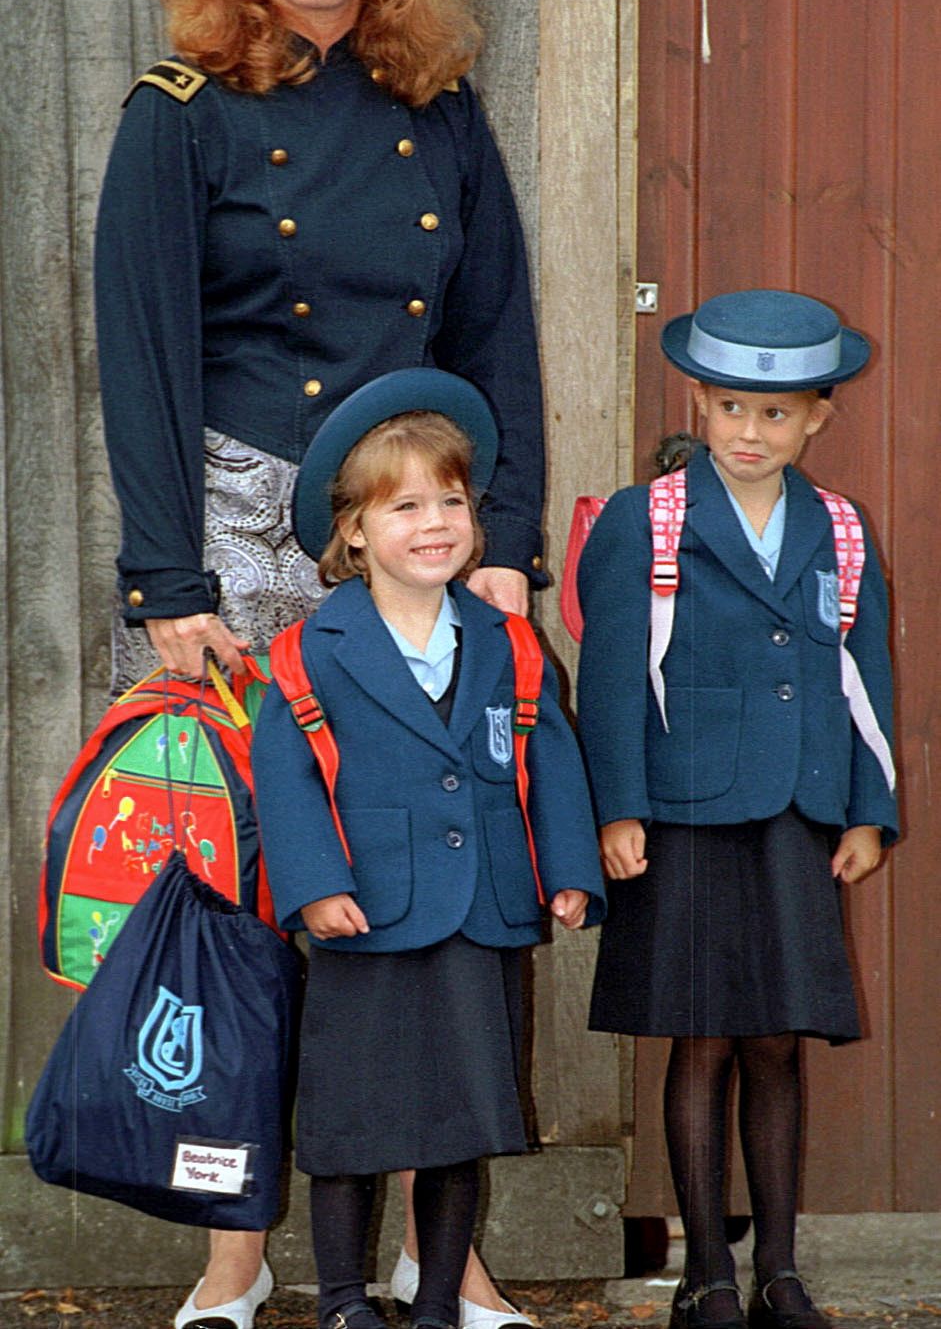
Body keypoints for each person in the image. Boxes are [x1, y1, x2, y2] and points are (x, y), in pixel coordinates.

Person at [93, 0, 546, 1323]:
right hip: (226, 540)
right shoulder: (183, 105)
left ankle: (439, 1245)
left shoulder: (441, 97)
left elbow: (498, 337)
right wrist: (168, 586)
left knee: (436, 888)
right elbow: (142, 356)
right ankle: (235, 1243)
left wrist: (508, 551)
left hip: (410, 540)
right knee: (234, 904)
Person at [251, 368, 606, 1329]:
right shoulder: (308, 651)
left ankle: (440, 1300)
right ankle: (340, 1302)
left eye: (451, 500)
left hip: (484, 908)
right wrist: (313, 886)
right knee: (352, 1121)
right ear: (354, 531)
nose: (435, 521)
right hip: (366, 912)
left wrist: (567, 869)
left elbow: (549, 756)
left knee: (461, 1119)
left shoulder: (506, 641)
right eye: (404, 504)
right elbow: (284, 781)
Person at [577, 291, 898, 1329]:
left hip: (797, 815)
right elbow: (613, 674)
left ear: (815, 416)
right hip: (680, 813)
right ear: (699, 406)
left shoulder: (839, 529)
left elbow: (863, 678)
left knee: (774, 1039)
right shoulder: (648, 517)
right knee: (701, 1036)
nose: (748, 432)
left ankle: (781, 1268)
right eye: (728, 409)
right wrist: (616, 807)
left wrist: (865, 810)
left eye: (774, 413)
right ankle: (706, 1271)